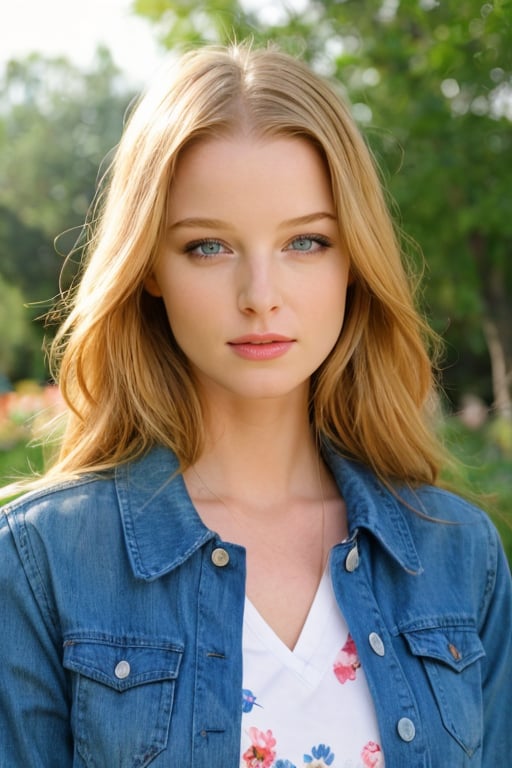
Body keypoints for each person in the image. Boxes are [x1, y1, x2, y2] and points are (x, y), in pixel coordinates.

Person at [0, 43, 510, 768]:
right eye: (208, 247)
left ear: (353, 260)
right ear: (148, 269)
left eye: (305, 241)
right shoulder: (40, 563)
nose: (260, 295)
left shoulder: (458, 557)